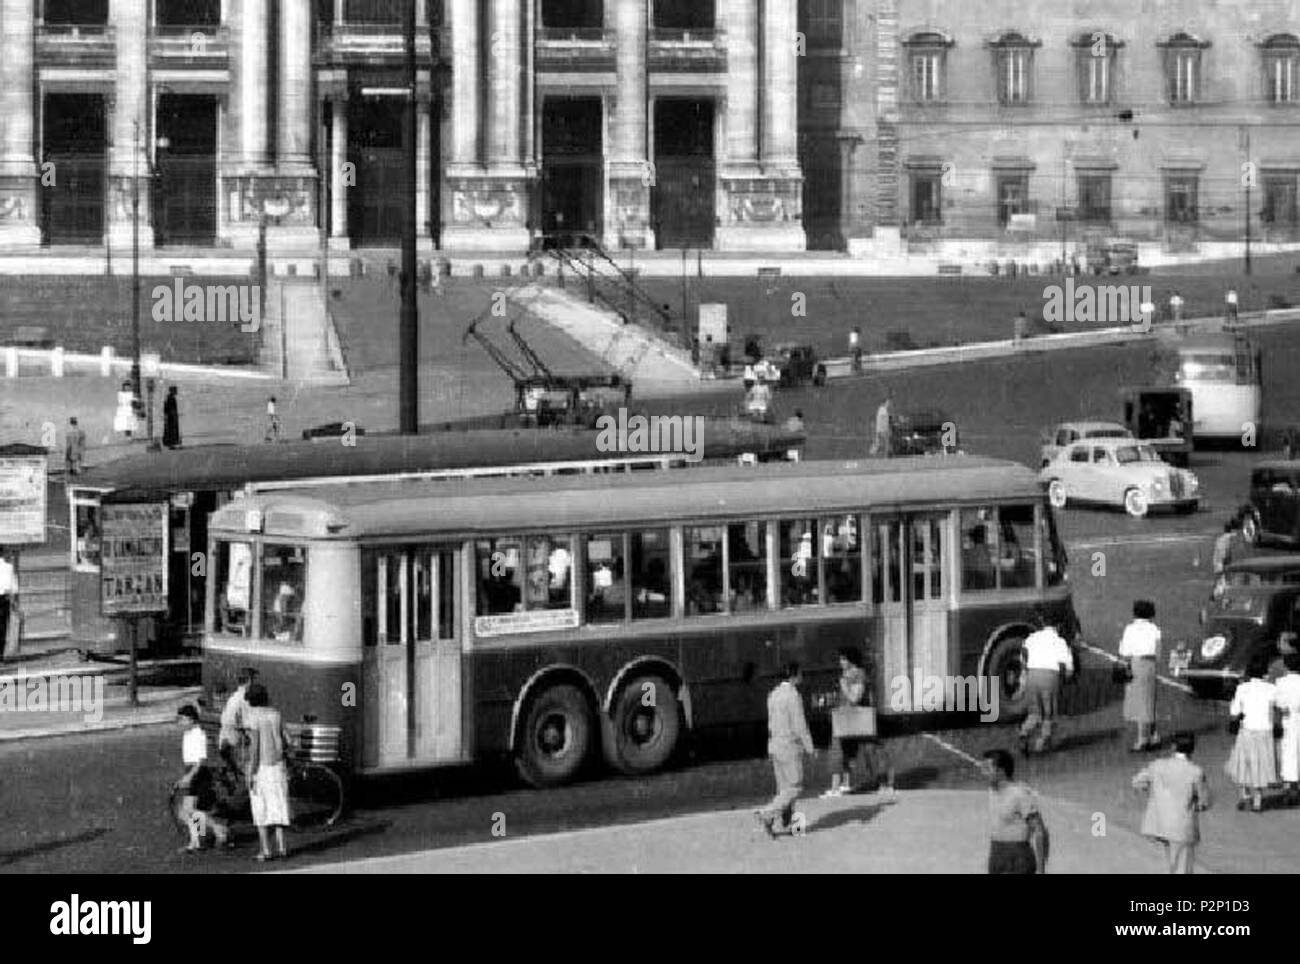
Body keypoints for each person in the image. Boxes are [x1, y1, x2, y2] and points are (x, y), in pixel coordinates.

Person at [1132, 731, 1211, 874]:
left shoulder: (1157, 765)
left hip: (1158, 823)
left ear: (1173, 747)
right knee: (1182, 867)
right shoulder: (1195, 772)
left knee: (1165, 863)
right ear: (1192, 749)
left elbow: (1137, 782)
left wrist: (1152, 792)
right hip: (1181, 827)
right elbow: (1204, 801)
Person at [755, 662, 816, 838]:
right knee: (795, 787)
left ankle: (789, 826)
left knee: (783, 789)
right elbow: (800, 725)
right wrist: (810, 748)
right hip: (790, 746)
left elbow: (771, 722)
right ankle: (767, 814)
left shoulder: (773, 694)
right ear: (794, 675)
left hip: (775, 745)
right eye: (800, 674)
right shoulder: (793, 695)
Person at [243, 682, 291, 861]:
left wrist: (250, 771)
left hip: (262, 767)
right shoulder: (275, 714)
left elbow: (254, 748)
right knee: (278, 806)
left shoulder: (254, 717)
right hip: (278, 765)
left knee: (260, 808)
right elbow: (287, 739)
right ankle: (282, 847)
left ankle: (265, 850)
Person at [1225, 655, 1278, 813]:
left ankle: (1245, 794)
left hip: (1247, 729)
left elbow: (1234, 711)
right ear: (1265, 672)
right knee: (1260, 765)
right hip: (1264, 731)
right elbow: (1277, 706)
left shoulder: (1243, 688)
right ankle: (1258, 799)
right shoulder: (1271, 689)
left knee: (1244, 764)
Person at [174, 705, 228, 852]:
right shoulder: (188, 734)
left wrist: (189, 776)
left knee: (188, 810)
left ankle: (216, 828)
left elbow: (200, 760)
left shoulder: (198, 734)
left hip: (199, 773)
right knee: (189, 810)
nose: (179, 722)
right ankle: (197, 841)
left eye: (182, 719)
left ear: (191, 719)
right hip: (191, 771)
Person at [983, 749, 1047, 874]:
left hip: (1017, 857)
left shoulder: (1020, 794)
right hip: (996, 854)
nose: (984, 773)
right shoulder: (993, 791)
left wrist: (1041, 869)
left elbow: (1039, 831)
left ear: (1000, 771)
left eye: (987, 768)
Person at [1019, 610, 1074, 755]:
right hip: (1050, 676)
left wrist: (1026, 671)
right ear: (1059, 626)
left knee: (1035, 711)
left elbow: (1023, 654)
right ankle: (1041, 743)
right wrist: (1065, 680)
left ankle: (1025, 731)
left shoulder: (1032, 637)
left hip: (1032, 675)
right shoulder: (1060, 641)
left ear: (1043, 623)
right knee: (1049, 713)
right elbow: (1068, 668)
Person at [822, 647, 868, 798]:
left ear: (851, 659)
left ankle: (836, 786)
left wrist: (844, 685)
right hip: (843, 715)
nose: (841, 662)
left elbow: (855, 698)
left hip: (849, 717)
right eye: (840, 659)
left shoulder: (858, 674)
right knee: (847, 749)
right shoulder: (846, 674)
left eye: (844, 659)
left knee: (837, 749)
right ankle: (845, 784)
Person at [1119, 600, 1162, 752]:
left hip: (1136, 664)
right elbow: (1158, 653)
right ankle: (1153, 735)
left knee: (1139, 703)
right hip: (1150, 665)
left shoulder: (1130, 629)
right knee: (1149, 700)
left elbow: (1125, 652)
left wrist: (1125, 666)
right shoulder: (1155, 629)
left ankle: (1142, 739)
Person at [218, 667, 257, 778]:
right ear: (249, 680)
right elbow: (247, 725)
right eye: (253, 680)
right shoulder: (245, 699)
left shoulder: (233, 698)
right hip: (237, 743)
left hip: (225, 740)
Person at [1275, 651, 1300, 806]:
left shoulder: (1281, 682)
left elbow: (1279, 704)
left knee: (1288, 752)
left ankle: (1290, 788)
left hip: (1288, 719)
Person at [0, 549, 15, 659]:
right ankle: (0, 654)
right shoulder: (9, 567)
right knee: (2, 626)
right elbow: (13, 588)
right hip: (4, 599)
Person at [870, 392, 893, 457]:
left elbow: (884, 420)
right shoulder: (882, 409)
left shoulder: (883, 409)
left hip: (882, 430)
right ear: (884, 403)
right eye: (888, 402)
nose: (889, 404)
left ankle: (875, 453)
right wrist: (884, 430)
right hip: (882, 431)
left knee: (882, 444)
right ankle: (876, 453)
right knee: (883, 444)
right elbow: (882, 421)